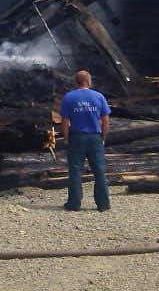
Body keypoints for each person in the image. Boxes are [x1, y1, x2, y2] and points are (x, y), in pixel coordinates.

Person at [59, 69, 111, 211]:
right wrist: (103, 137)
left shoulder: (69, 97)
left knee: (75, 171)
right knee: (99, 171)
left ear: (76, 82)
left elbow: (64, 120)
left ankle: (74, 203)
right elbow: (105, 120)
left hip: (77, 136)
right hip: (94, 136)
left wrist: (66, 138)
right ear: (89, 81)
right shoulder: (99, 97)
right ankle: (103, 203)